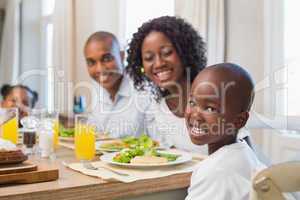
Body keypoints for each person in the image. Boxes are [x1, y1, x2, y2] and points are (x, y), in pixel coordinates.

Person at [126, 16, 250, 153]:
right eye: (149, 58)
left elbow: (246, 157)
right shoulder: (157, 108)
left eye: (167, 53)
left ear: (185, 52)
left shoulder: (215, 97)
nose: (159, 63)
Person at [185, 63, 265, 200]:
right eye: (192, 102)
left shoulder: (215, 171)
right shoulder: (244, 153)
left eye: (210, 108)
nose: (195, 115)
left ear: (239, 120)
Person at [84, 31, 152, 138]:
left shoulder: (145, 91)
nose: (99, 69)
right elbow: (91, 134)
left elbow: (160, 145)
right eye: (91, 62)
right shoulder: (98, 90)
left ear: (121, 56)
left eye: (106, 59)